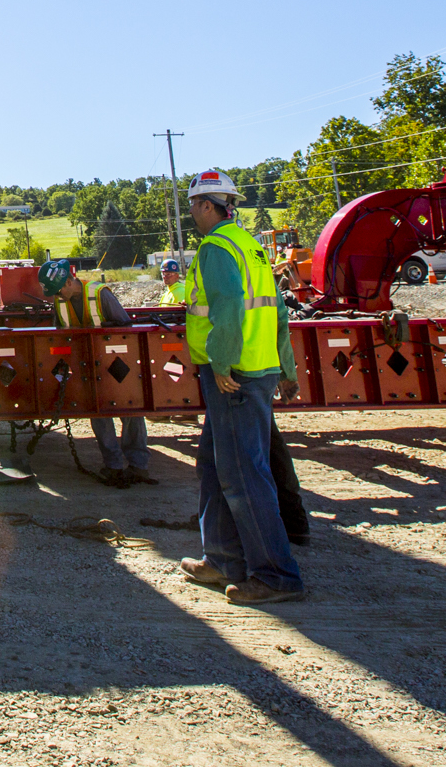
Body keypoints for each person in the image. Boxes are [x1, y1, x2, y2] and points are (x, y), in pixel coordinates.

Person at [177, 170, 305, 605]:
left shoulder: (215, 247)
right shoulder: (250, 247)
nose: (192, 213)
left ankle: (275, 575)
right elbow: (279, 314)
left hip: (235, 375)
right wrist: (286, 369)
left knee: (244, 476)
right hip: (258, 368)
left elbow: (229, 307)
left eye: (194, 206)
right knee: (214, 468)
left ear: (208, 206)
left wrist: (221, 363)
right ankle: (221, 559)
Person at [44, 262, 155, 488]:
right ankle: (113, 466)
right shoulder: (60, 301)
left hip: (117, 363)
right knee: (98, 412)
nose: (56, 295)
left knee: (130, 409)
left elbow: (126, 328)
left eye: (58, 290)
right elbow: (58, 336)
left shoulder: (99, 294)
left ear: (68, 281)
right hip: (87, 364)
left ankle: (138, 465)